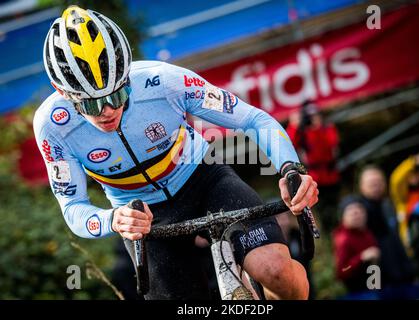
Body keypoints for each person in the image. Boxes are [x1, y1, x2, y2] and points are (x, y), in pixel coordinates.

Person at [33, 6, 318, 300]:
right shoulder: (53, 127)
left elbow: (254, 119)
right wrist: (114, 219)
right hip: (143, 215)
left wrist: (290, 169)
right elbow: (72, 207)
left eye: (117, 94)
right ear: (62, 91)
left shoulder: (163, 81)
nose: (107, 111)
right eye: (91, 105)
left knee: (275, 271)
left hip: (205, 181)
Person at [286, 101, 340, 232]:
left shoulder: (327, 128)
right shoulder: (301, 132)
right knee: (319, 208)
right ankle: (324, 233)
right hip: (314, 176)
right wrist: (294, 125)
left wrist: (318, 128)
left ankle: (335, 229)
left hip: (330, 174)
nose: (313, 118)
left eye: (316, 114)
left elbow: (333, 144)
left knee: (334, 206)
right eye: (310, 116)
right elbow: (289, 144)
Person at [357, 165, 414, 289]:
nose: (376, 187)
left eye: (379, 182)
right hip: (378, 275)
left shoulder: (388, 204)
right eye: (372, 183)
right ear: (362, 187)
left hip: (401, 270)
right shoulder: (359, 212)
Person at [332, 195, 380, 294]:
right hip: (356, 292)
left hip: (373, 288)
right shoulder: (343, 239)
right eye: (351, 212)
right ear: (343, 218)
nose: (356, 215)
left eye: (359, 211)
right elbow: (342, 271)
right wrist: (361, 258)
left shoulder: (367, 233)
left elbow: (374, 265)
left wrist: (376, 286)